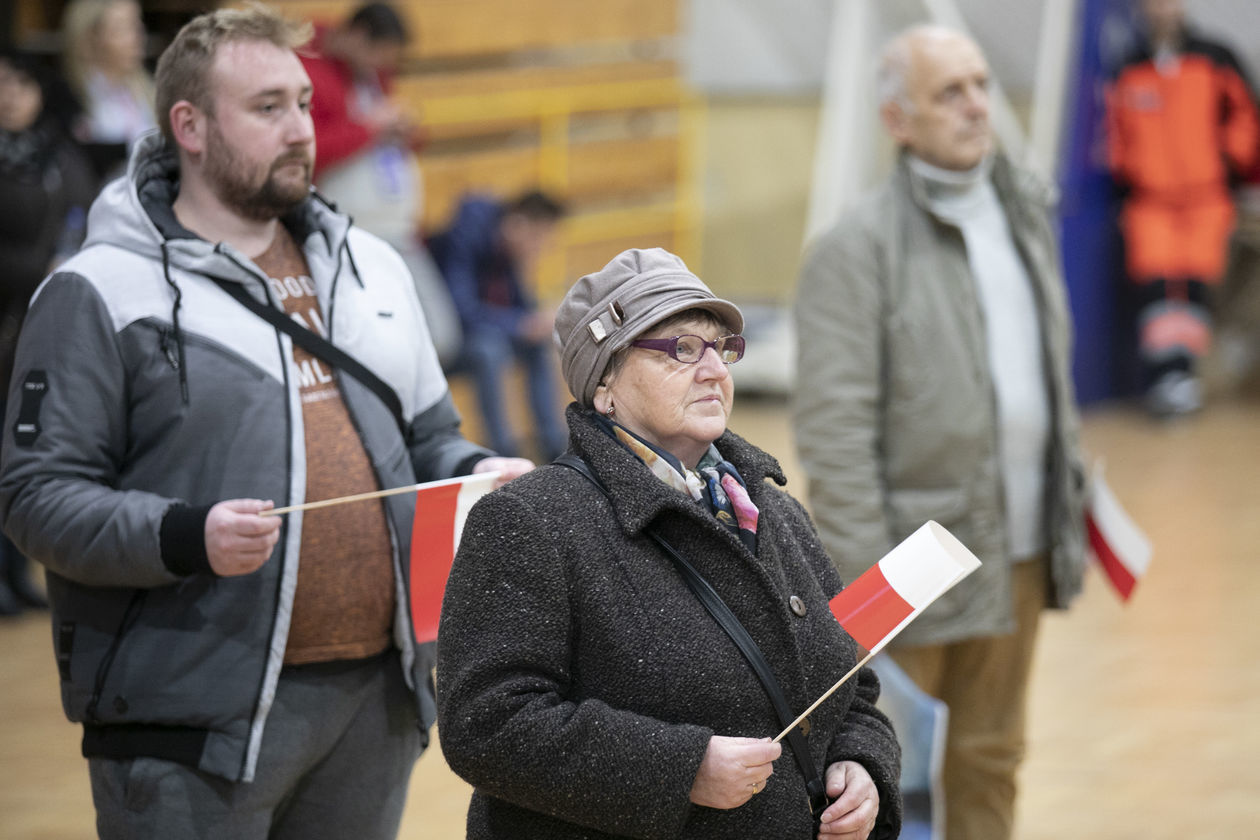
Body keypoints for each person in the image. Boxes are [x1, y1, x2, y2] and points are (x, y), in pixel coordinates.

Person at [0, 6, 530, 838]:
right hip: (193, 719)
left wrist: (477, 472)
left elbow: (430, 437)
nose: (300, 131)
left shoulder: (371, 267)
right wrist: (184, 535)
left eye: (303, 105)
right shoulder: (99, 290)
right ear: (192, 126)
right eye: (267, 108)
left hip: (377, 702)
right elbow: (36, 495)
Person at [437, 247, 903, 839]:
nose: (714, 369)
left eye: (720, 347)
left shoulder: (775, 510)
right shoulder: (530, 520)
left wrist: (861, 766)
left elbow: (851, 686)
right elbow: (486, 725)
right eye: (681, 349)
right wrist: (683, 770)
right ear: (604, 382)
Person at [793, 25, 1086, 840]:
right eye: (949, 92)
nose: (976, 106)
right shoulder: (854, 250)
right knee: (893, 779)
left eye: (981, 84)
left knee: (993, 759)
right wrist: (876, 593)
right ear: (898, 120)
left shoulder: (1026, 212)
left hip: (1021, 549)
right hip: (910, 569)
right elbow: (835, 435)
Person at [1106, 0, 1260, 417]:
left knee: (1192, 287)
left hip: (1206, 195)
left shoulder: (1215, 56)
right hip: (1150, 200)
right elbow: (1115, 130)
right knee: (1156, 287)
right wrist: (1123, 172)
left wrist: (1232, 164)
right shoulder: (1128, 66)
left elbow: (1245, 117)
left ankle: (1182, 376)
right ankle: (1165, 379)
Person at [298, 2, 463, 368]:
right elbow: (308, 150)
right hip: (349, 232)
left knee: (440, 337)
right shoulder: (306, 70)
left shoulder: (371, 76)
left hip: (398, 230)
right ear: (357, 37)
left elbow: (397, 142)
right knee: (371, 341)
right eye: (379, 56)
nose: (383, 67)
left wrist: (404, 129)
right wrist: (370, 128)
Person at [0, 48, 95, 616]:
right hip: (7, 311)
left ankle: (17, 571)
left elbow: (84, 213)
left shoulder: (60, 152)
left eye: (18, 83)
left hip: (42, 323)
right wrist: (38, 271)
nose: (9, 94)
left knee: (22, 450)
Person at [428, 190, 569, 461]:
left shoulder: (507, 252)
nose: (540, 248)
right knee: (490, 351)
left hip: (489, 334)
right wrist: (520, 324)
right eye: (538, 238)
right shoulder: (462, 241)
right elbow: (462, 312)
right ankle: (502, 452)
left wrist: (535, 321)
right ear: (517, 225)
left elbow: (519, 305)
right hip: (452, 341)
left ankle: (554, 448)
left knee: (537, 346)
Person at [61, 0, 156, 178]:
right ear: (90, 39)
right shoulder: (69, 97)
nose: (139, 36)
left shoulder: (150, 90)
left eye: (138, 23)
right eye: (123, 28)